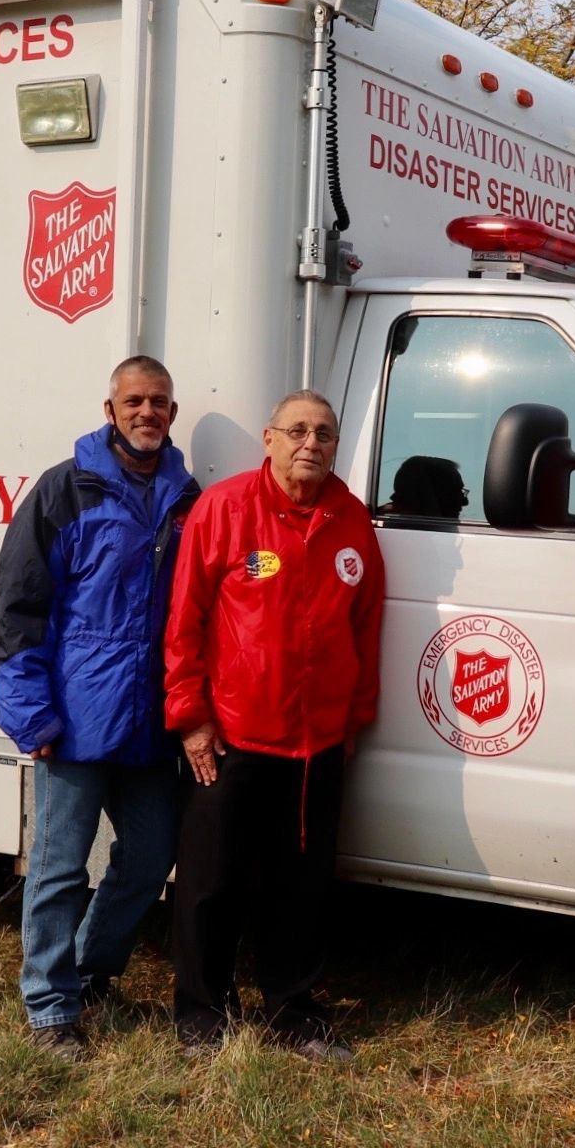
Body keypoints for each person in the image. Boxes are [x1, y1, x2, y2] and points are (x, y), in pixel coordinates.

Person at [164, 389, 385, 1060]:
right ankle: (203, 1012)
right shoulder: (225, 509)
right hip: (231, 735)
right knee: (211, 883)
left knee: (302, 886)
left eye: (323, 432)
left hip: (316, 743)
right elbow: (185, 622)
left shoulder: (351, 521)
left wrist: (353, 720)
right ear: (268, 439)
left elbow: (366, 628)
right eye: (296, 430)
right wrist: (191, 718)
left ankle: (294, 1011)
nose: (310, 443)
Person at [0, 355, 200, 1058]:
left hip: (149, 726)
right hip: (73, 724)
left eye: (161, 403)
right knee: (58, 868)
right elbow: (19, 608)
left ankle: (89, 970)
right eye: (135, 401)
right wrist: (32, 715)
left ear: (173, 414)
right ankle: (50, 1011)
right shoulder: (65, 492)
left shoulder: (186, 497)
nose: (149, 413)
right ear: (110, 410)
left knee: (149, 858)